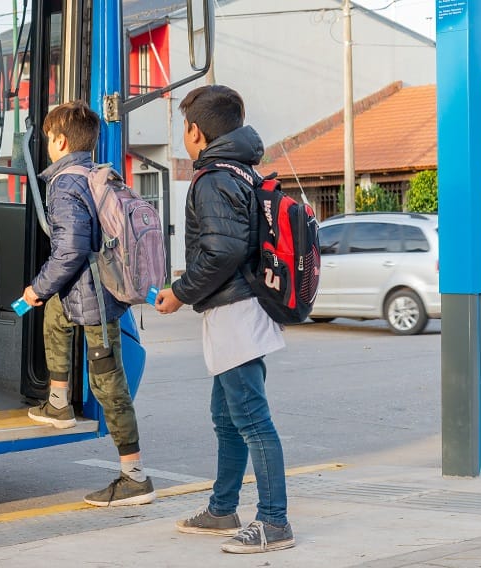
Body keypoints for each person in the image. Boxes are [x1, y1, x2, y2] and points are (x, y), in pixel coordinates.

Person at [154, 85, 294, 554]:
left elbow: (223, 251)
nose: (184, 136)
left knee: (251, 420)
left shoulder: (214, 178)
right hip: (240, 308)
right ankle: (222, 510)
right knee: (227, 417)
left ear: (196, 132)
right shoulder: (241, 170)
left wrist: (180, 293)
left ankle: (274, 522)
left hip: (236, 312)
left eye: (184, 128)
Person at [21, 100, 155, 508]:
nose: (47, 145)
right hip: (94, 289)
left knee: (108, 384)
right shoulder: (97, 174)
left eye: (49, 138)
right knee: (55, 317)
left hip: (95, 297)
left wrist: (37, 288)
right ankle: (58, 402)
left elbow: (71, 249)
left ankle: (135, 477)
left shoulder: (65, 185)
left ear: (61, 141)